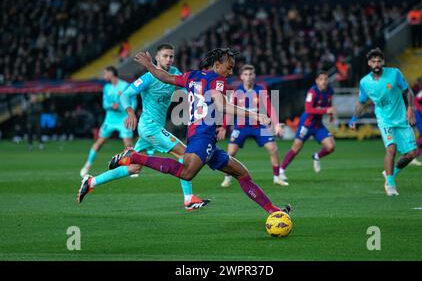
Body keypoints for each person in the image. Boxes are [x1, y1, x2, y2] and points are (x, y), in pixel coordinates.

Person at [79, 48, 291, 215]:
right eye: (229, 67)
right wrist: (256, 115)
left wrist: (150, 66)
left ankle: (273, 211)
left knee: (243, 174)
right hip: (202, 136)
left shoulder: (192, 76)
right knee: (187, 171)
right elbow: (221, 105)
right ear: (217, 65)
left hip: (203, 137)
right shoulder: (217, 80)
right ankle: (134, 156)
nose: (230, 71)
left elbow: (164, 76)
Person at [77, 44, 208, 211]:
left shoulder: (174, 73)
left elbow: (188, 86)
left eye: (171, 56)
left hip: (152, 128)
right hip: (149, 127)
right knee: (185, 154)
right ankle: (188, 199)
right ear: (157, 58)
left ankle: (92, 181)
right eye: (165, 56)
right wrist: (130, 112)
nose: (168, 60)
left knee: (134, 168)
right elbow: (125, 95)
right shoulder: (148, 78)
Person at [348, 48, 417, 196]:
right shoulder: (365, 82)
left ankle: (390, 173)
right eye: (373, 61)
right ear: (369, 63)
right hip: (384, 120)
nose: (377, 64)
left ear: (383, 62)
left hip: (401, 118)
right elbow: (361, 102)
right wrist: (354, 118)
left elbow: (408, 91)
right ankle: (390, 184)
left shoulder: (395, 73)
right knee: (391, 149)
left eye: (379, 61)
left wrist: (410, 108)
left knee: (411, 154)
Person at [219, 64, 287, 188]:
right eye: (246, 74)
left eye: (250, 74)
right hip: (241, 125)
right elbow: (228, 110)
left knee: (273, 148)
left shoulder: (260, 89)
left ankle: (277, 178)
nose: (248, 77)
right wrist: (224, 126)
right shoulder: (236, 91)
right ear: (241, 77)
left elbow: (269, 107)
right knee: (231, 152)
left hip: (259, 125)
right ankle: (227, 178)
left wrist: (276, 124)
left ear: (254, 76)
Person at [80, 66, 136, 177]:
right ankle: (87, 166)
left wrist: (130, 114)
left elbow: (133, 101)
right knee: (99, 142)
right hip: (110, 120)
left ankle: (132, 167)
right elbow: (105, 104)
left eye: (105, 73)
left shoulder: (124, 85)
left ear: (111, 73)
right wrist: (112, 105)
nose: (104, 75)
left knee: (128, 143)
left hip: (123, 119)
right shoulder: (106, 88)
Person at [280, 71, 337, 176]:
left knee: (331, 146)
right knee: (296, 147)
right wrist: (326, 111)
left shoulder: (329, 91)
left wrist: (331, 115)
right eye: (321, 79)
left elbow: (328, 104)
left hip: (318, 125)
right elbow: (308, 109)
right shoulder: (312, 92)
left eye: (325, 79)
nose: (324, 81)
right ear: (317, 81)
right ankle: (281, 171)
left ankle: (317, 156)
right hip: (306, 124)